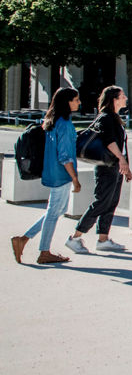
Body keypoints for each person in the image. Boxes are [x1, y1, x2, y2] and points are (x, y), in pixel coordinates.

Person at [10, 88, 82, 264]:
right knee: (53, 212)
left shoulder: (52, 120)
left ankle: (24, 240)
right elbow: (65, 156)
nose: (79, 102)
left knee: (57, 210)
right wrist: (75, 178)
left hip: (51, 172)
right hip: (61, 174)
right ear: (67, 102)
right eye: (76, 99)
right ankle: (43, 252)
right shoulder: (64, 124)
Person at [66, 86, 132, 254]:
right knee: (101, 202)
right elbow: (110, 142)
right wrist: (121, 159)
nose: (125, 98)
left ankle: (103, 239)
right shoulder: (106, 117)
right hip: (106, 167)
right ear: (114, 99)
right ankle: (75, 237)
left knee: (111, 202)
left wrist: (126, 166)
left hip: (115, 166)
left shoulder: (115, 117)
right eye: (122, 96)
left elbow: (122, 144)